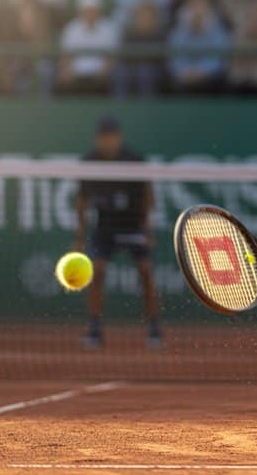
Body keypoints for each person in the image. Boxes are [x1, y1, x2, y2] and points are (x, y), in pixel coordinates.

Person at [74, 117, 162, 349]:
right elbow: (82, 202)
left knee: (145, 271)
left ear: (118, 138)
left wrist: (146, 229)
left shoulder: (134, 161)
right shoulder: (89, 163)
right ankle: (94, 327)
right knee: (97, 269)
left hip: (133, 225)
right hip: (105, 227)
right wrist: (80, 236)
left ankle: (154, 326)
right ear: (97, 139)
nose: (107, 142)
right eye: (103, 138)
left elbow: (147, 198)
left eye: (111, 137)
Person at [58, 0, 120, 97]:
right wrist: (67, 69)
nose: (90, 14)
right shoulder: (71, 29)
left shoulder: (109, 29)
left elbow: (112, 57)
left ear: (99, 11)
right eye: (86, 11)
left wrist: (104, 71)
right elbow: (65, 56)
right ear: (80, 12)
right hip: (76, 73)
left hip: (101, 74)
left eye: (93, 11)